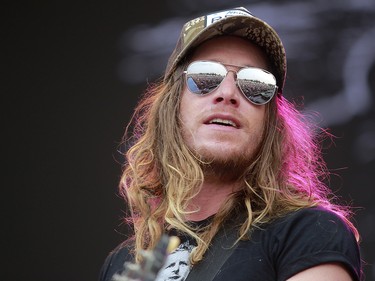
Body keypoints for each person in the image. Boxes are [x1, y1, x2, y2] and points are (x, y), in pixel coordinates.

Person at [100, 7, 362, 281]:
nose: (227, 93)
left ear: (271, 122)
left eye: (255, 83)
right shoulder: (123, 263)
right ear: (172, 107)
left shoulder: (310, 233)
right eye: (205, 77)